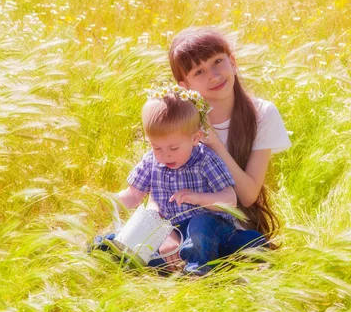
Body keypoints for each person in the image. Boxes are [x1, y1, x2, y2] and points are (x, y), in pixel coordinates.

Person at [157, 26, 292, 267]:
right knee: (128, 253)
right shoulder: (181, 120)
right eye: (199, 71)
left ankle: (202, 263)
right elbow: (159, 182)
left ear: (232, 60)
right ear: (185, 85)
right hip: (183, 226)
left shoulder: (262, 114)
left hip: (235, 226)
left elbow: (248, 195)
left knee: (253, 250)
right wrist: (165, 235)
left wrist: (216, 145)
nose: (214, 75)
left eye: (218, 61)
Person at [91, 85, 240, 275]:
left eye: (174, 148)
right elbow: (133, 195)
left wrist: (198, 198)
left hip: (210, 228)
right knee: (131, 242)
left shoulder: (205, 160)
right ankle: (110, 253)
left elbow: (230, 200)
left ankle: (197, 271)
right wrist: (108, 200)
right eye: (156, 147)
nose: (165, 156)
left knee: (199, 226)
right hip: (168, 230)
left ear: (196, 138)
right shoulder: (151, 161)